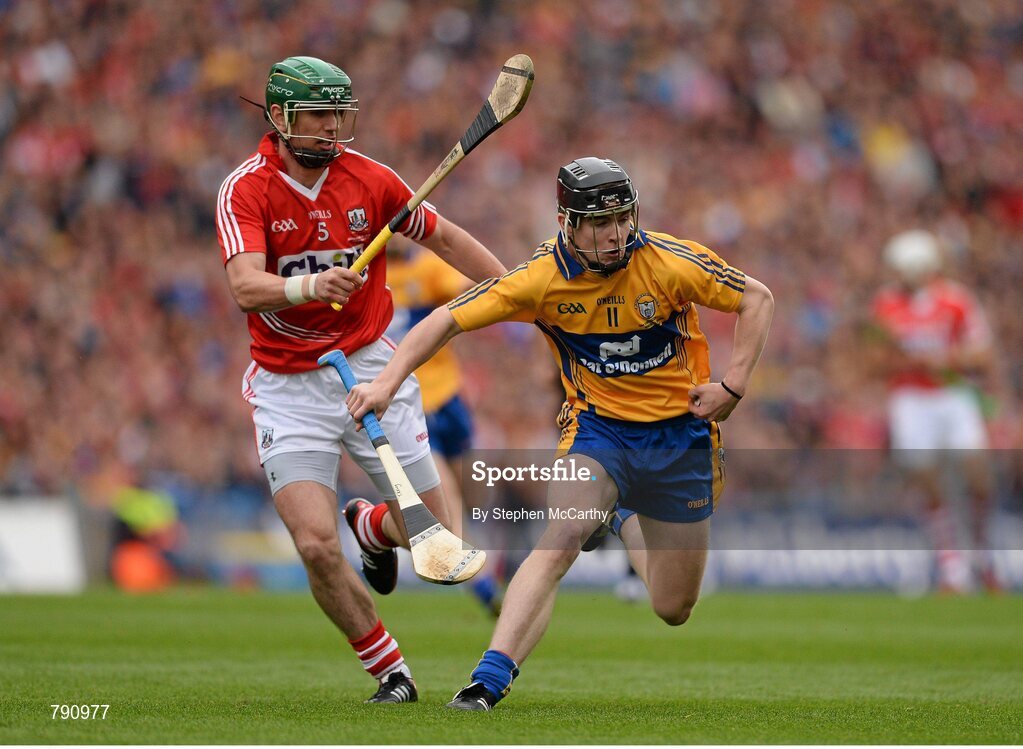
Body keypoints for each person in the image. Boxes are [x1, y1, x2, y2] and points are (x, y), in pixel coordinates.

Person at [346, 157, 774, 710]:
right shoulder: (540, 279)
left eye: (621, 218)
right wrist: (386, 381)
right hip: (598, 430)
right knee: (561, 539)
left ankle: (620, 517)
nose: (614, 233)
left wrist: (733, 387)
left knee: (673, 606)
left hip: (680, 437)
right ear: (567, 222)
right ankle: (486, 682)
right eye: (598, 223)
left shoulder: (668, 261)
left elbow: (756, 298)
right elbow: (446, 318)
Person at [215, 56, 506, 703]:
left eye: (338, 114)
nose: (331, 128)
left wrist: (517, 290)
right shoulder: (246, 189)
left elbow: (447, 238)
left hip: (375, 367)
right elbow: (244, 285)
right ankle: (389, 670)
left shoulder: (371, 181)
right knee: (316, 543)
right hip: (289, 386)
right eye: (318, 115)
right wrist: (311, 284)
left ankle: (373, 526)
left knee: (444, 549)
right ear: (282, 116)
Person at [872, 229, 999, 593]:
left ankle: (983, 556)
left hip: (953, 394)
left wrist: (945, 358)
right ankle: (952, 568)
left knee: (978, 476)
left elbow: (982, 352)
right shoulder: (885, 305)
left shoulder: (956, 301)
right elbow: (875, 359)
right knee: (928, 481)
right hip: (910, 399)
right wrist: (900, 360)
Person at [385, 243, 504, 615]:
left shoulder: (428, 269)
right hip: (411, 404)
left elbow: (466, 287)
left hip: (449, 396)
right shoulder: (369, 279)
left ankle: (477, 547)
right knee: (446, 494)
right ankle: (479, 580)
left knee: (472, 490)